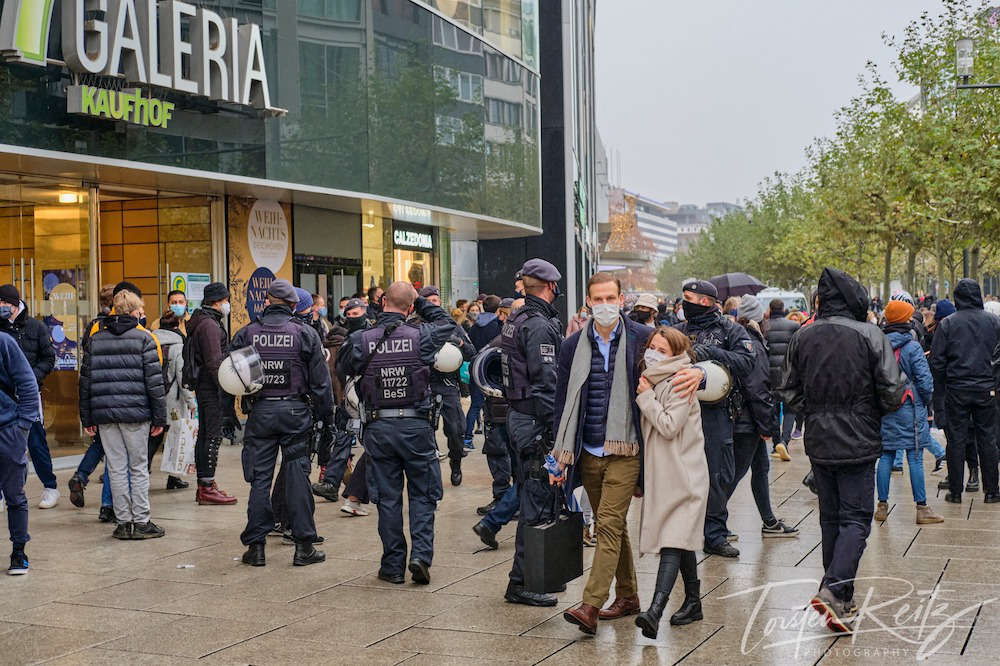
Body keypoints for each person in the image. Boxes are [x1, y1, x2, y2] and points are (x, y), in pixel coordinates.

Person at [779, 267, 906, 633]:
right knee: (856, 519)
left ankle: (840, 598)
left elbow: (787, 390)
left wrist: (815, 411)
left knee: (831, 519)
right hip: (859, 438)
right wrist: (869, 410)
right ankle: (834, 590)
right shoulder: (870, 335)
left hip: (820, 439)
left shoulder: (803, 337)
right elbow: (893, 391)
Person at [337, 282, 464, 585]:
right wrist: (421, 302)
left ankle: (393, 565)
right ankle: (420, 556)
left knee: (388, 499)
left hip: (379, 428)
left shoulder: (360, 339)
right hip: (416, 427)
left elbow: (343, 369)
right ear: (410, 307)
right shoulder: (422, 336)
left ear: (381, 303)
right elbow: (448, 323)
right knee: (423, 494)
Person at [554, 272, 652, 635]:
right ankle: (628, 595)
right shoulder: (573, 345)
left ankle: (590, 605)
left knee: (607, 526)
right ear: (589, 303)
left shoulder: (642, 339)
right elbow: (562, 402)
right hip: (588, 451)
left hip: (626, 451)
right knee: (614, 524)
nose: (606, 305)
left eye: (611, 297)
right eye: (599, 299)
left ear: (622, 298)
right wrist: (559, 455)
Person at [231, 279, 331, 567]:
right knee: (298, 478)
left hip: (260, 413)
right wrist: (326, 419)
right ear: (292, 306)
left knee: (259, 480)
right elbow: (321, 384)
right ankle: (303, 546)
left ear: (266, 302)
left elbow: (231, 375)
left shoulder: (247, 333)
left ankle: (257, 546)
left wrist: (230, 415)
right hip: (296, 413)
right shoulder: (305, 333)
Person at [633, 326, 707, 638]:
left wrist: (645, 397)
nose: (654, 353)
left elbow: (668, 425)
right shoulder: (653, 377)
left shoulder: (679, 380)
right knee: (681, 539)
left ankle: (655, 611)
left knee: (672, 542)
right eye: (653, 347)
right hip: (667, 476)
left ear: (676, 354)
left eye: (663, 350)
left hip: (684, 477)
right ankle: (693, 602)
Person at [499, 259, 565, 607]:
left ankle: (538, 574)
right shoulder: (538, 325)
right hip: (534, 423)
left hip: (520, 417)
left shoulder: (517, 318)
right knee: (536, 502)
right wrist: (555, 433)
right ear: (551, 286)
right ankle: (521, 582)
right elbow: (547, 383)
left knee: (534, 496)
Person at [675, 279, 754, 558]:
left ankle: (715, 534)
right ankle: (682, 533)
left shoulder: (730, 330)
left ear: (706, 301)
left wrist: (713, 355)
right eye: (683, 298)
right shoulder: (677, 331)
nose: (685, 304)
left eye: (690, 298)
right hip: (680, 413)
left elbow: (747, 363)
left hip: (716, 414)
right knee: (681, 474)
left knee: (718, 473)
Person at [80, 289, 167, 540]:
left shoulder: (96, 339)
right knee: (138, 467)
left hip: (105, 415)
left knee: (116, 467)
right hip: (136, 415)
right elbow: (154, 384)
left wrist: (87, 418)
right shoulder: (145, 340)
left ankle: (123, 522)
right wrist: (159, 418)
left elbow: (85, 382)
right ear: (135, 311)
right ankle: (141, 521)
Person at [726, 296, 798, 538]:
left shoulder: (743, 336)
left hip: (750, 418)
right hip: (749, 420)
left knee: (761, 468)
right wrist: (767, 426)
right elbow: (757, 387)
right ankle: (711, 522)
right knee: (734, 474)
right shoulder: (751, 342)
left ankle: (769, 521)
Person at [930, 279, 1000, 504]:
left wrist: (939, 394)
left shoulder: (948, 323)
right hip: (986, 388)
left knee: (956, 440)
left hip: (957, 389)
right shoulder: (994, 322)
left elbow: (938, 363)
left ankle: (956, 491)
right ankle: (992, 490)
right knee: (988, 439)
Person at [876, 300, 944, 525]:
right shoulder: (912, 347)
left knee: (885, 455)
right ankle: (922, 508)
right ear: (905, 319)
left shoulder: (878, 343)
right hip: (909, 407)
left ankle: (882, 506)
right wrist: (925, 402)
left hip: (886, 407)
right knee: (914, 456)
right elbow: (925, 381)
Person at [0, 284, 58, 509]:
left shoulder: (36, 327)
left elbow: (48, 358)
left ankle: (50, 486)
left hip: (28, 394)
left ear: (15, 304)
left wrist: (30, 377)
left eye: (5, 303)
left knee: (35, 441)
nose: (2, 307)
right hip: (4, 397)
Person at [67, 284, 121, 522]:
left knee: (101, 443)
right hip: (116, 396)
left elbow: (87, 364)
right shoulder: (118, 326)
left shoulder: (93, 327)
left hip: (97, 396)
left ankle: (80, 476)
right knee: (114, 452)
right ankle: (107, 505)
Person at [415, 286, 476, 486]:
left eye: (436, 300)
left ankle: (456, 462)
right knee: (423, 433)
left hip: (447, 384)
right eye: (429, 301)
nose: (434, 304)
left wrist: (457, 342)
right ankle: (429, 476)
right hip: (423, 385)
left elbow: (470, 351)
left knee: (457, 429)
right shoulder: (413, 327)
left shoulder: (450, 326)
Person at [312, 298, 370, 504]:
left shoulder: (371, 335)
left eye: (356, 314)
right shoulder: (345, 337)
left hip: (370, 397)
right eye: (349, 314)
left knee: (371, 445)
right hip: (350, 398)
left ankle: (358, 489)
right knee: (344, 438)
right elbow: (339, 369)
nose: (352, 318)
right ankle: (332, 483)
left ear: (365, 311)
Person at [185, 282, 238, 505]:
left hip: (206, 386)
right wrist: (227, 385)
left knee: (207, 434)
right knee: (212, 436)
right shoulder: (209, 326)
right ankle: (206, 486)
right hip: (211, 387)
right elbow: (214, 361)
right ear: (218, 301)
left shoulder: (205, 321)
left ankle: (206, 483)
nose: (227, 305)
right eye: (226, 300)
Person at [0, 330, 39, 574]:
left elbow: (27, 382)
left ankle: (19, 551)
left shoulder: (4, 342)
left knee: (14, 494)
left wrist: (23, 426)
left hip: (8, 429)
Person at [148, 310, 190, 491]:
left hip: (153, 398)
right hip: (173, 400)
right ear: (176, 326)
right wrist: (191, 401)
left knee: (154, 437)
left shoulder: (150, 342)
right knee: (175, 439)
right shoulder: (178, 346)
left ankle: (143, 470)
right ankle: (173, 478)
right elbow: (182, 377)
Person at [765, 298, 800, 462]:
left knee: (772, 409)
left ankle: (776, 442)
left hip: (769, 374)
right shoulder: (793, 327)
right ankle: (785, 442)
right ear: (784, 309)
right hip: (789, 373)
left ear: (770, 309)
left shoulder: (764, 326)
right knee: (789, 409)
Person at [465, 295, 503, 445]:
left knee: (475, 405)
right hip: (493, 370)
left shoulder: (474, 327)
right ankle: (493, 438)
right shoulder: (497, 326)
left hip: (475, 368)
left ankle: (467, 438)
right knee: (495, 405)